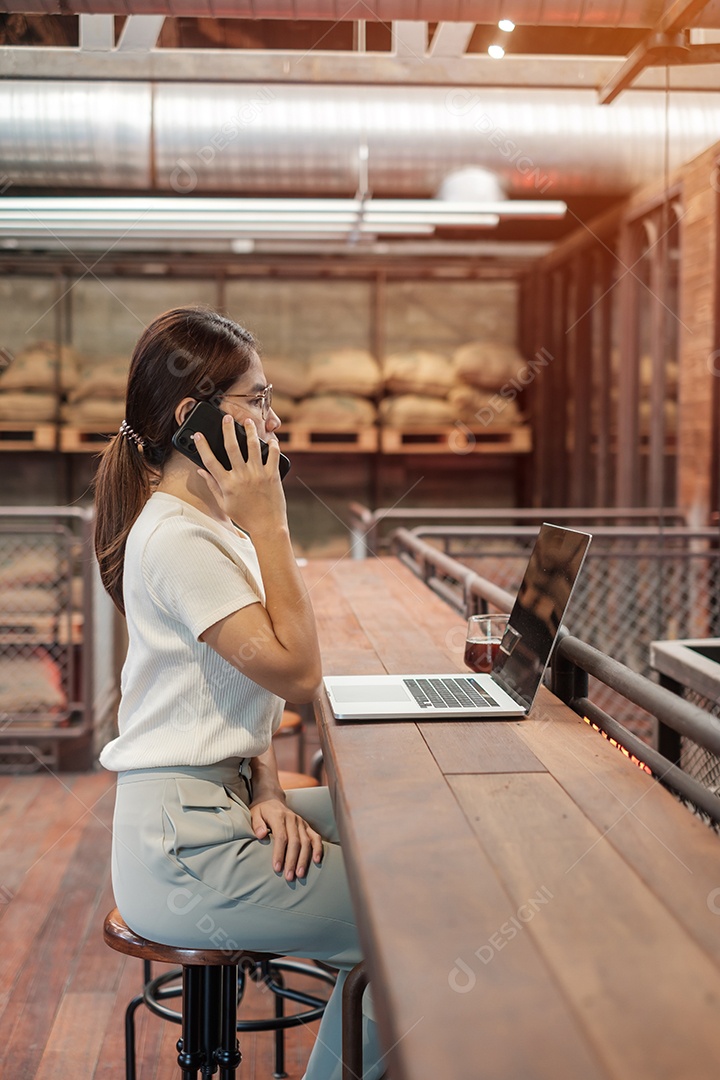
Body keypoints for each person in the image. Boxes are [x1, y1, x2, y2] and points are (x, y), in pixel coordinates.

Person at [94, 306, 383, 1080]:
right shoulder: (182, 538)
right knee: (414, 926)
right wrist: (274, 522)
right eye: (256, 399)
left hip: (213, 805)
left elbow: (231, 700)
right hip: (181, 852)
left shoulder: (205, 525)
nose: (273, 416)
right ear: (194, 418)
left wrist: (267, 785)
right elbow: (298, 674)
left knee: (401, 833)